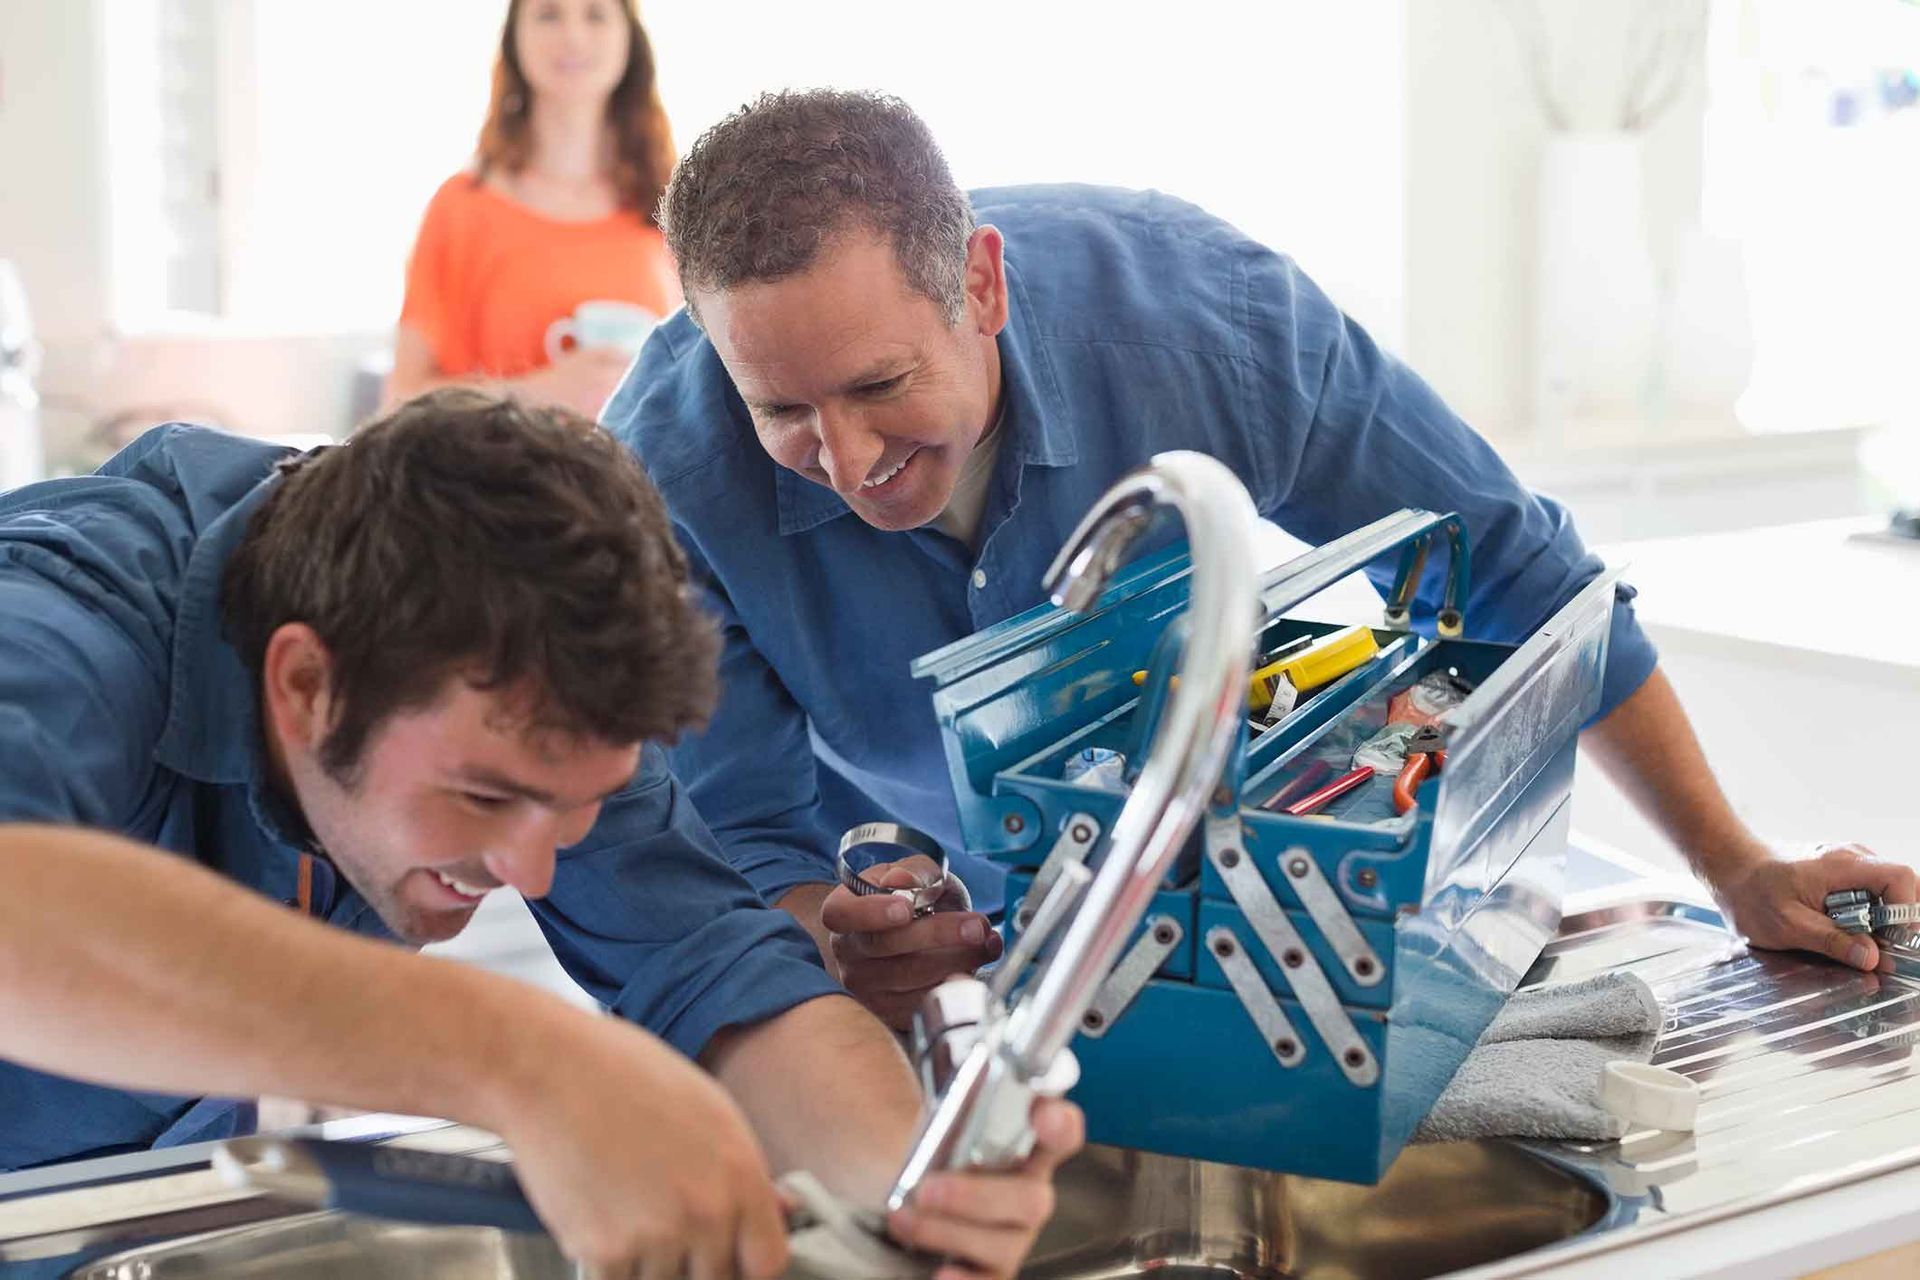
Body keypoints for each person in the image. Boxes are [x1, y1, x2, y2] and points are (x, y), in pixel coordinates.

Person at [602, 89, 1916, 1030]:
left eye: (881, 384)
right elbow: (747, 827)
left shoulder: (1210, 327)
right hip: (907, 905)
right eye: (782, 410)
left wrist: (1735, 864)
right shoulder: (662, 476)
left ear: (983, 290)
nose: (843, 456)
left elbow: (1521, 578)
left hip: (1206, 887)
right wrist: (841, 946)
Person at [0, 389, 1077, 1278]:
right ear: (302, 684)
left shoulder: (525, 681)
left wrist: (909, 1197)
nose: (530, 866)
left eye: (571, 809)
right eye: (480, 799)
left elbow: (717, 971)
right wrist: (528, 1059)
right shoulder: (64, 629)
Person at [383, 0, 680, 418]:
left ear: (629, 37)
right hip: (502, 476)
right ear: (514, 38)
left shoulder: (672, 203)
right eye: (548, 14)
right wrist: (539, 390)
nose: (573, 36)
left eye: (595, 14)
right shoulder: (461, 208)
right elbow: (399, 402)